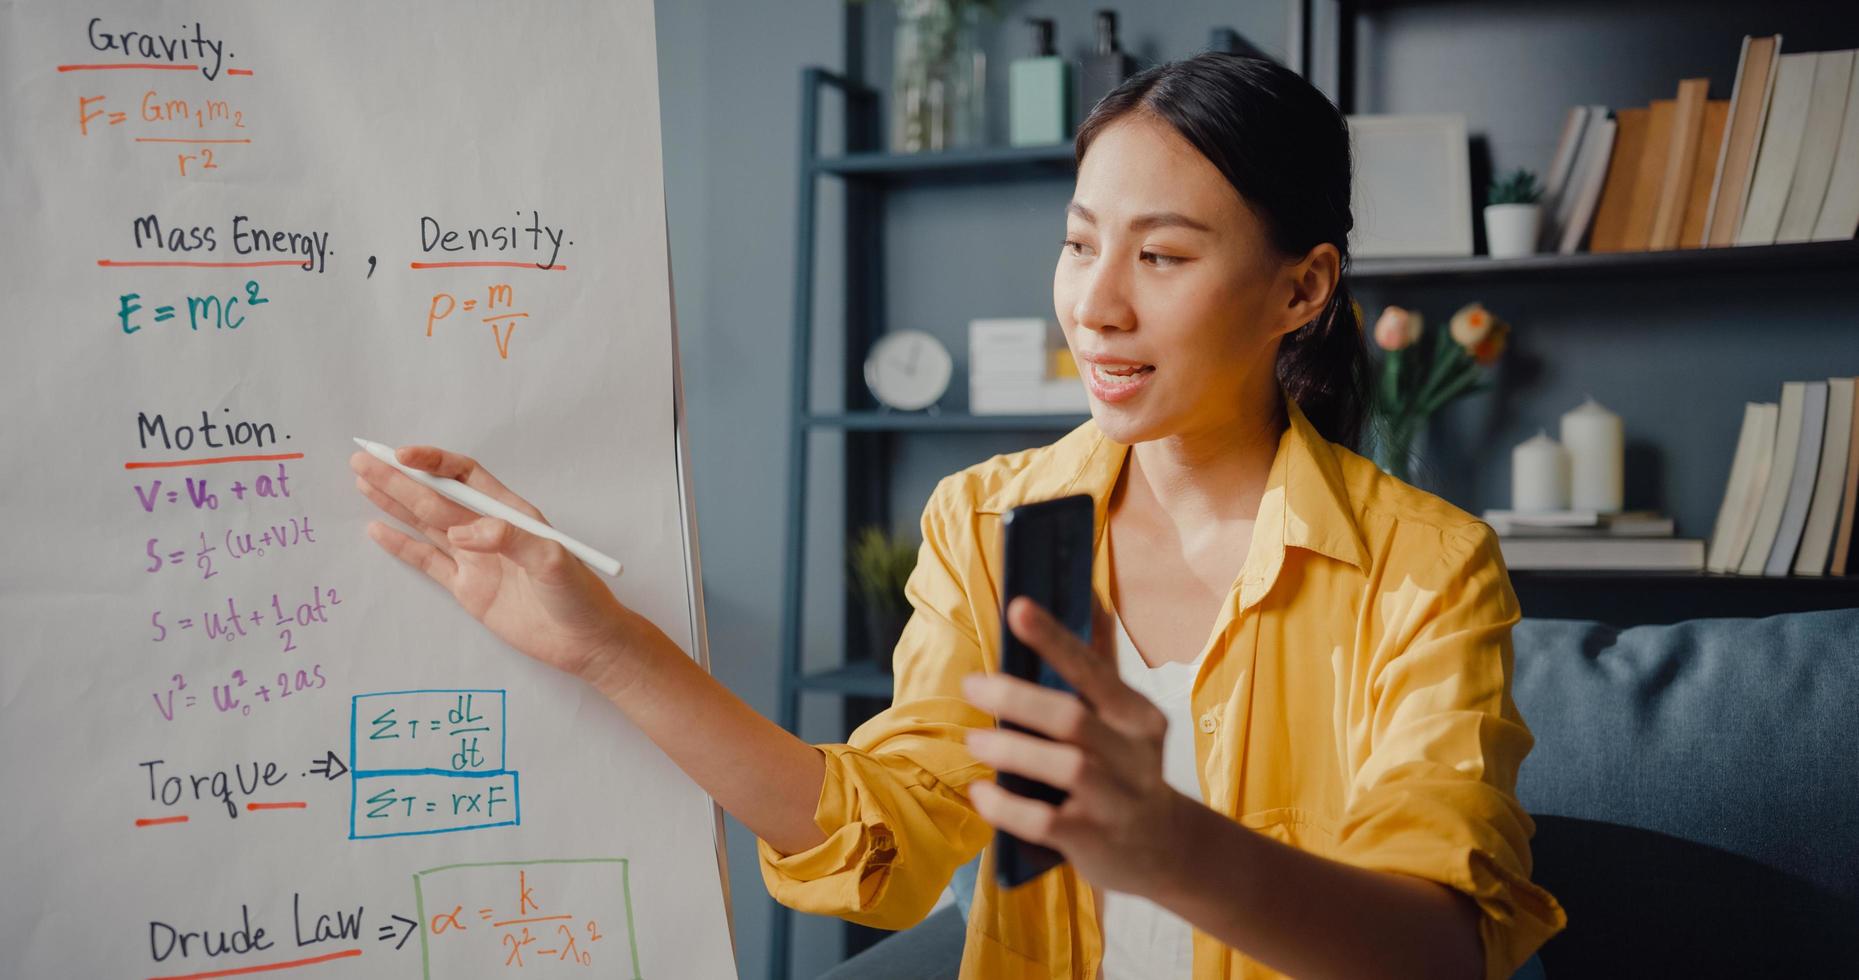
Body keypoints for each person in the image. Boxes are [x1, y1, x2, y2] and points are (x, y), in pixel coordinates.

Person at [351, 53, 1565, 980]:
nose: (1093, 305)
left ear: (1298, 288)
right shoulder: (989, 516)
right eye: (1079, 242)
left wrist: (1166, 844)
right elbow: (886, 837)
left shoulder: (1422, 565)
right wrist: (606, 644)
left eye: (1163, 257)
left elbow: (1440, 952)